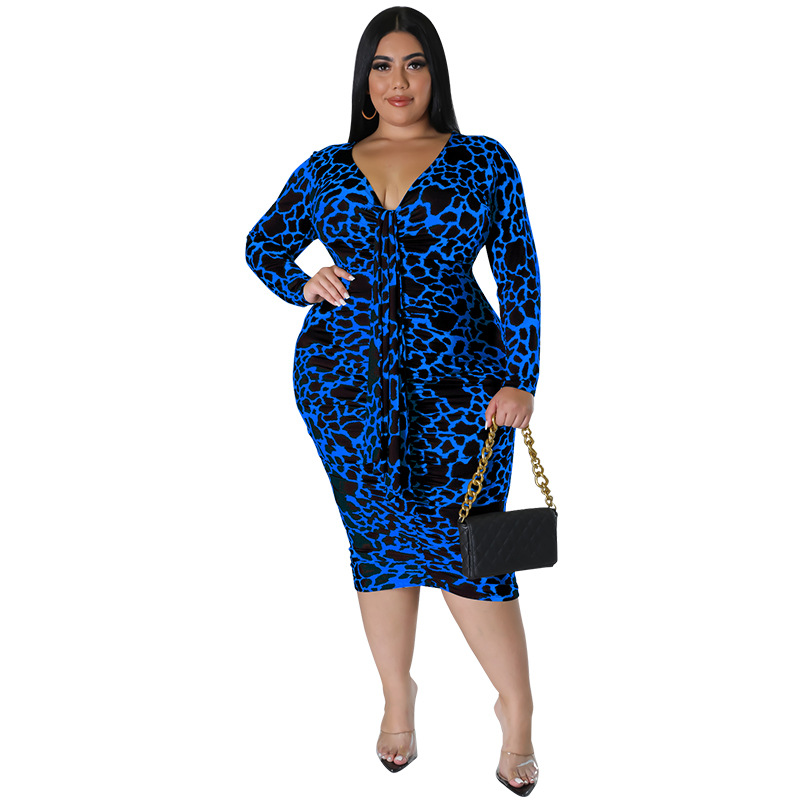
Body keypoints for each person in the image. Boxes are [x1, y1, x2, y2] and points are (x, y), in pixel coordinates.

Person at [245, 7, 542, 794]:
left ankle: (517, 707)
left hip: (465, 391)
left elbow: (518, 270)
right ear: (364, 79)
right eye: (382, 65)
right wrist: (302, 281)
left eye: (414, 63)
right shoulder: (326, 168)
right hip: (342, 390)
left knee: (473, 549)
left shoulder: (482, 161)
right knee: (377, 544)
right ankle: (397, 698)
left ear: (435, 74)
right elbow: (263, 244)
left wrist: (523, 377)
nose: (398, 81)